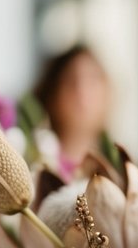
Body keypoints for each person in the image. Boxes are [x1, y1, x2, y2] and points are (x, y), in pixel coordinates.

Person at [33, 44, 111, 177]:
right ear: (52, 95)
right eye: (71, 81)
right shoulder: (34, 165)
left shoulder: (122, 171)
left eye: (92, 81)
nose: (82, 92)